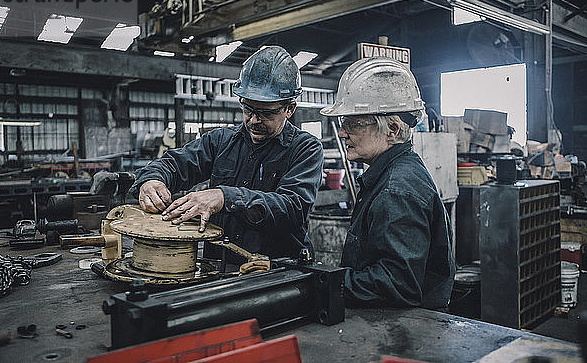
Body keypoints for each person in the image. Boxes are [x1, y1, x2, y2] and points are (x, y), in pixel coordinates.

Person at [129, 46, 323, 261]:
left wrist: (225, 197)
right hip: (219, 266)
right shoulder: (221, 140)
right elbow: (174, 164)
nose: (253, 120)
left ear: (290, 108)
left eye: (265, 113)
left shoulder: (306, 148)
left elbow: (292, 208)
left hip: (277, 271)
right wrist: (152, 180)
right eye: (248, 109)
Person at [320, 57, 455, 310]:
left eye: (353, 123)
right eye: (343, 123)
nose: (342, 133)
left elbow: (394, 285)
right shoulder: (393, 173)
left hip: (407, 332)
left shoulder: (397, 189)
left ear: (392, 129)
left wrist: (322, 283)